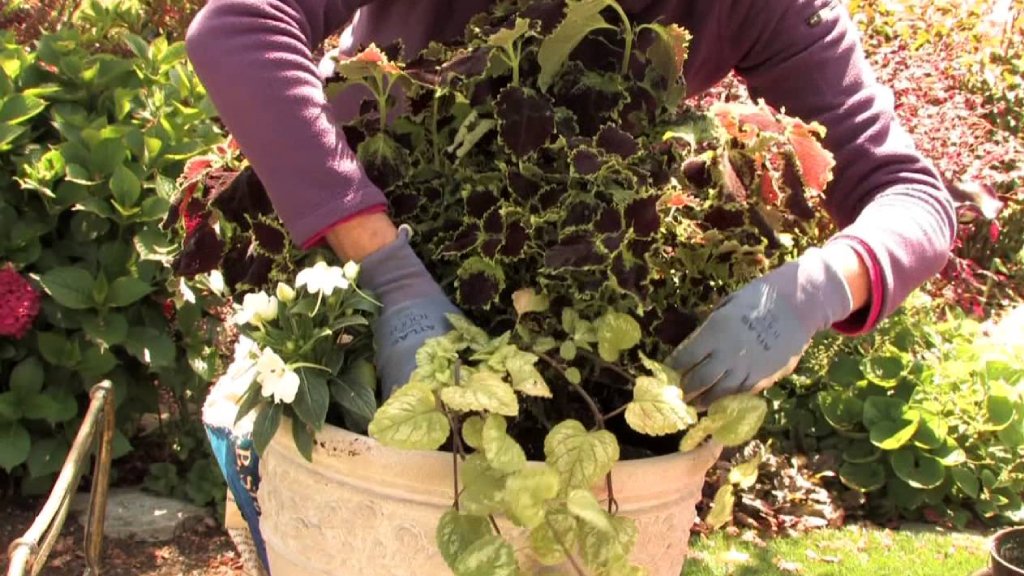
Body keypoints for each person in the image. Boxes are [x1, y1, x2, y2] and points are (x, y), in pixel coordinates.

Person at [185, 0, 955, 570]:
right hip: (360, 273)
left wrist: (822, 282)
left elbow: (910, 194)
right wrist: (387, 271)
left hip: (566, 316)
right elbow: (239, 28)